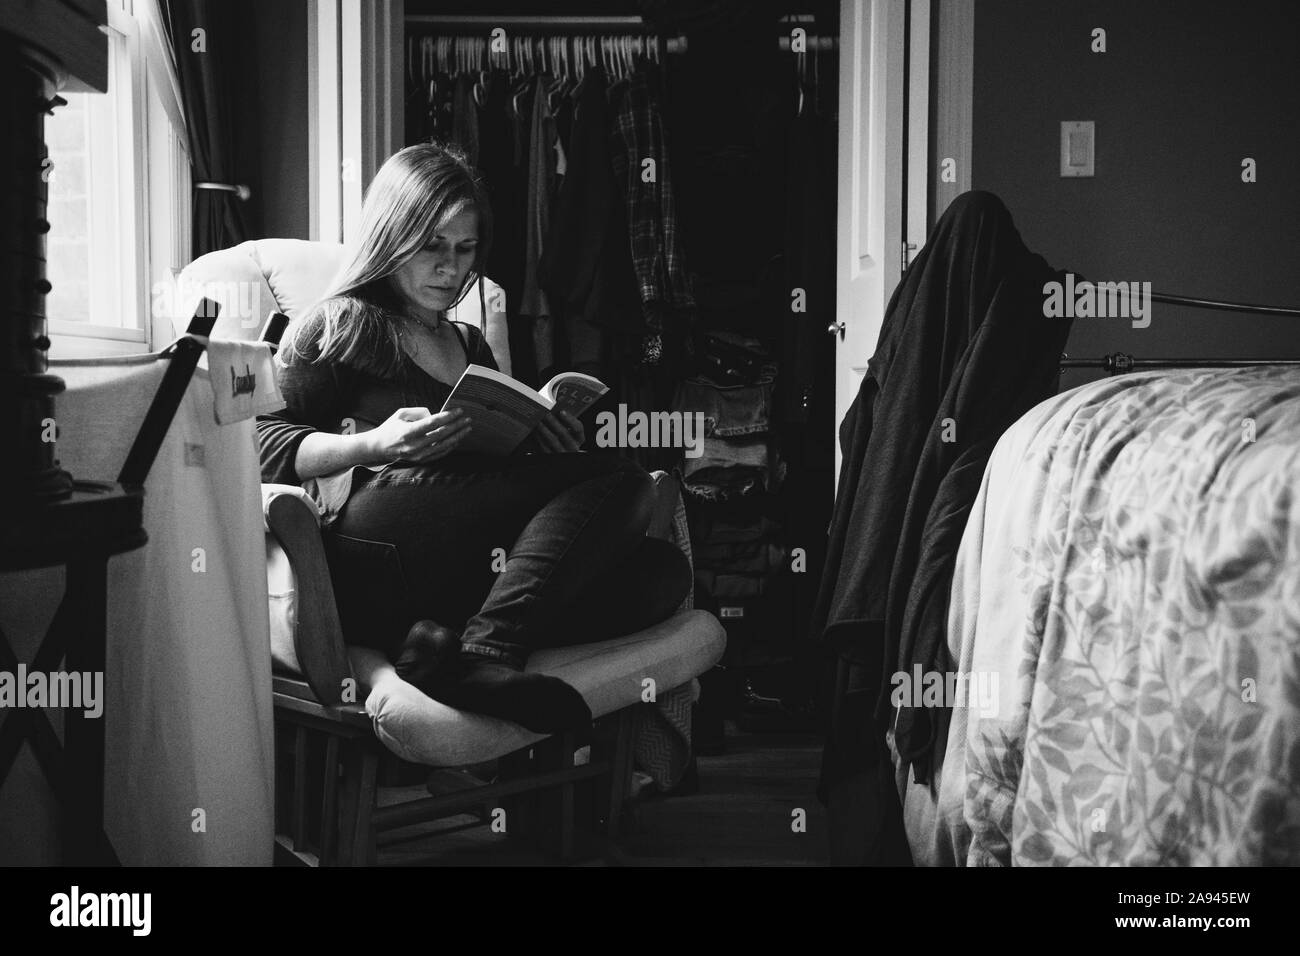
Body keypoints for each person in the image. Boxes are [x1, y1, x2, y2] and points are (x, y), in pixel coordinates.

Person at [256, 143, 691, 734]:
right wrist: (374, 445)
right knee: (621, 477)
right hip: (370, 542)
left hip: (459, 555)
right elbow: (261, 443)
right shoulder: (337, 323)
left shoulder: (468, 343)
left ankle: (437, 647)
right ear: (391, 235)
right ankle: (486, 651)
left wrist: (545, 441)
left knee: (661, 574)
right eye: (432, 246)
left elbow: (494, 474)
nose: (451, 268)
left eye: (465, 249)